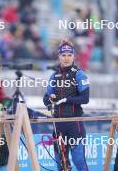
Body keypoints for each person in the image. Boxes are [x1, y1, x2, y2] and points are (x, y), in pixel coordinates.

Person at [43, 39, 89, 171]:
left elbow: (85, 99)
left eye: (69, 55)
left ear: (74, 56)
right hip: (58, 124)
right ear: (59, 57)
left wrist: (66, 99)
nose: (66, 58)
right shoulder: (54, 76)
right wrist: (50, 99)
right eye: (63, 55)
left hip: (75, 124)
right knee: (61, 164)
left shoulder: (80, 74)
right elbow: (46, 99)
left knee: (79, 161)